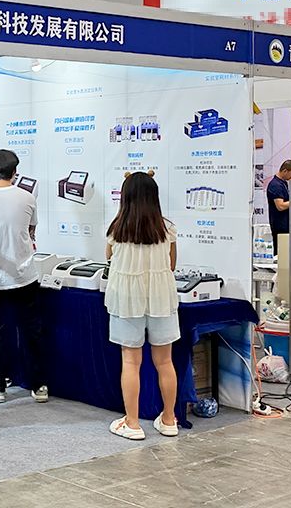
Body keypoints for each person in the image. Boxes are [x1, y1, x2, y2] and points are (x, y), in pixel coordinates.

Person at [105, 172, 179, 440]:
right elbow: (172, 264)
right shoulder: (167, 229)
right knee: (165, 361)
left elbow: (109, 258)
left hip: (126, 300)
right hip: (161, 298)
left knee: (130, 361)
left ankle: (133, 423)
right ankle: (169, 420)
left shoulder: (117, 229)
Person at [0, 149, 48, 404]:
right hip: (24, 275)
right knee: (31, 331)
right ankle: (39, 386)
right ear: (14, 172)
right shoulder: (27, 197)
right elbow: (31, 232)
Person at [267, 160, 291, 256]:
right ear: (285, 171)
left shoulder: (283, 183)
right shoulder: (275, 185)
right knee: (281, 252)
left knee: (287, 252)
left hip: (286, 224)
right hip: (280, 225)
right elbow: (280, 206)